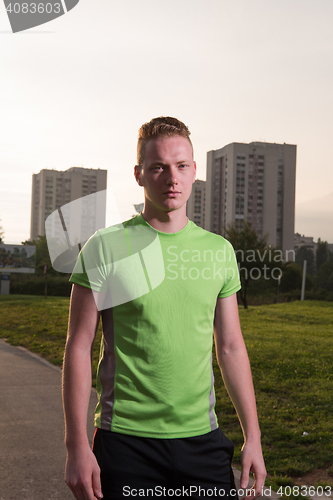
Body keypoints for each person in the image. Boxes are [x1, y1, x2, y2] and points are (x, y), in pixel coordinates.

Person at [63, 117, 267, 500]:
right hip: (125, 444)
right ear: (139, 174)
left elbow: (231, 347)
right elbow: (78, 346)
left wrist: (252, 437)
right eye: (158, 167)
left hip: (202, 445)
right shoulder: (105, 247)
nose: (171, 177)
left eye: (181, 166)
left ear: (194, 172)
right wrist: (76, 446)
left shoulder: (218, 251)